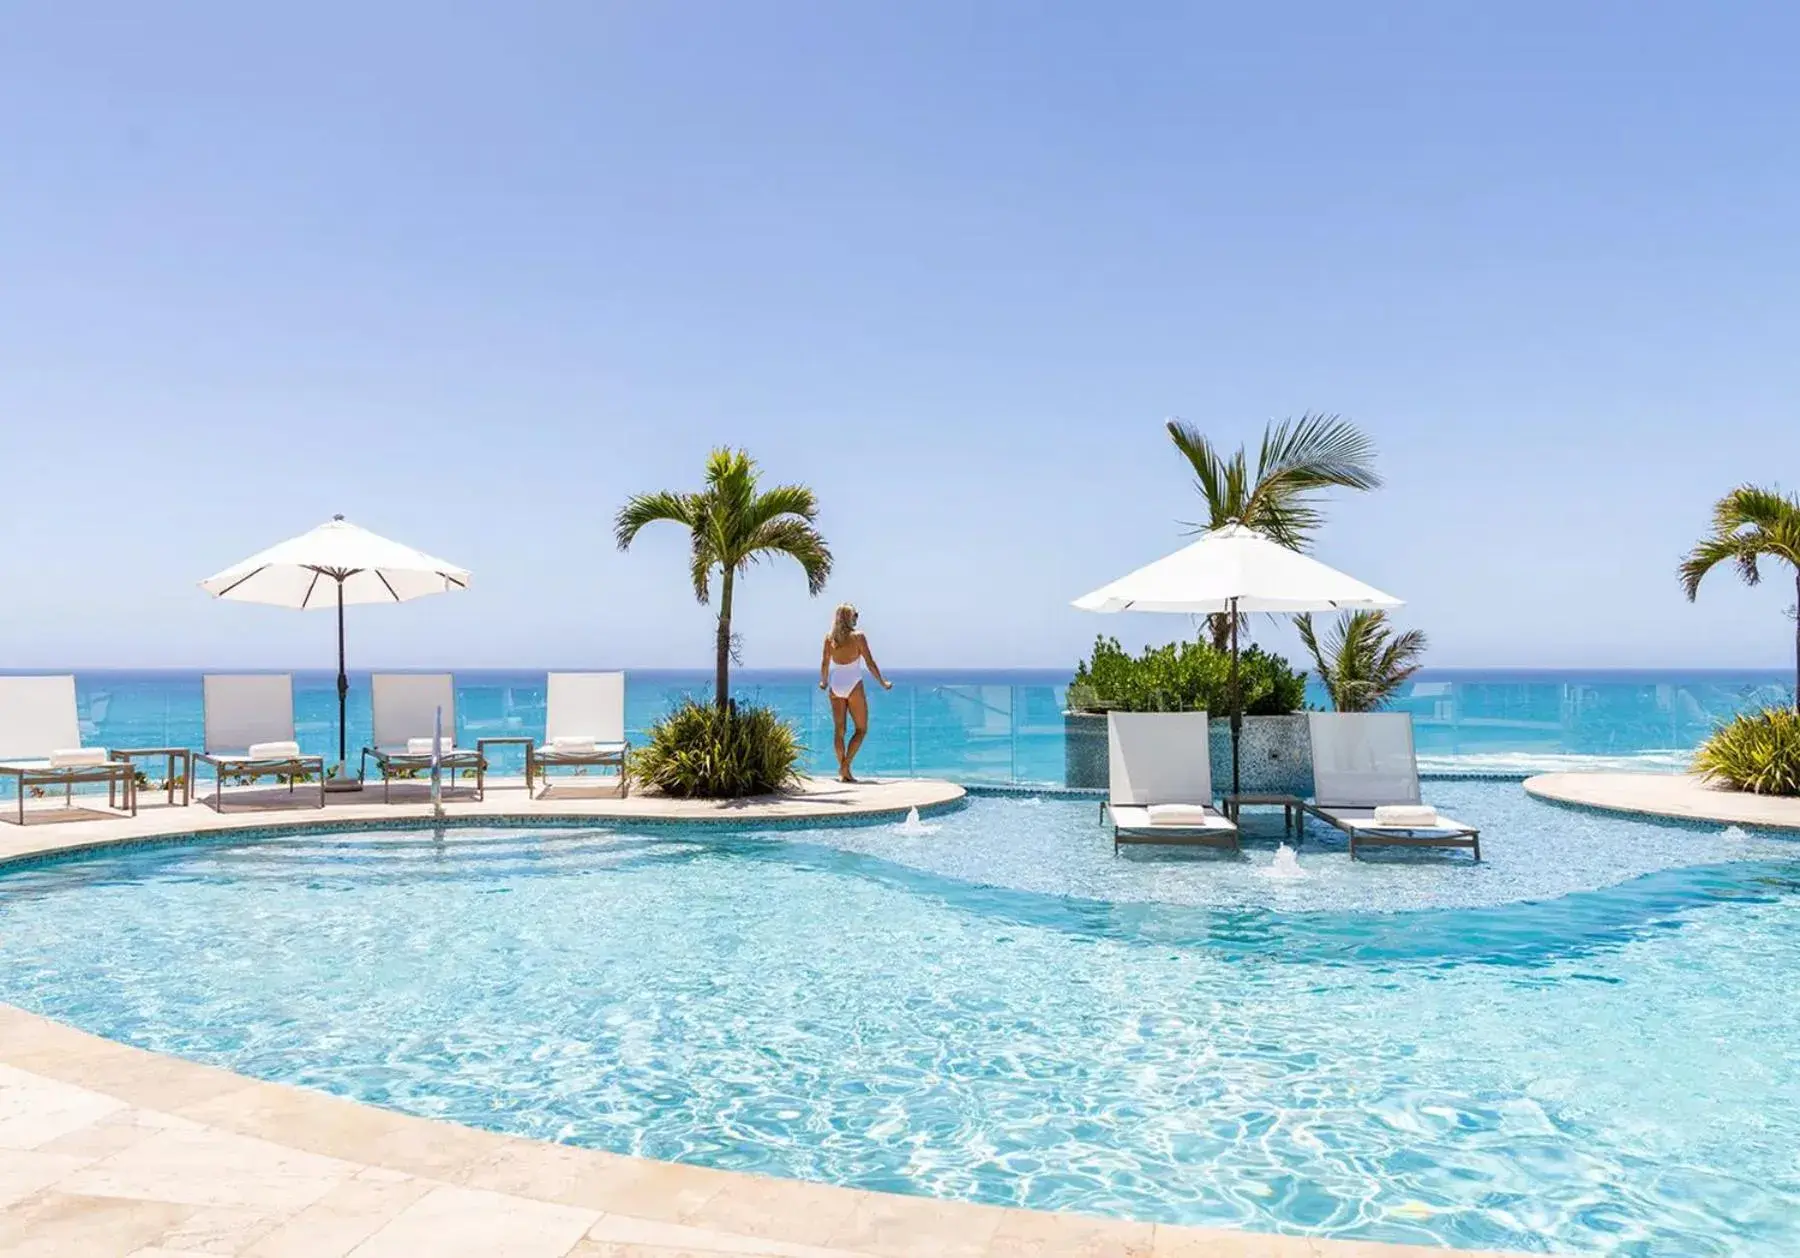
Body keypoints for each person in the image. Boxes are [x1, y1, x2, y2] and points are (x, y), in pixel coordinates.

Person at [819, 603, 891, 782]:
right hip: (853, 684)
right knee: (861, 729)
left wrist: (823, 681)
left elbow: (825, 663)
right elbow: (870, 662)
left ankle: (844, 772)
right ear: (849, 618)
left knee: (839, 731)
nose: (857, 618)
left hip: (835, 684)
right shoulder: (858, 637)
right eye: (855, 615)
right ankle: (845, 767)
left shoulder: (829, 638)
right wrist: (883, 682)